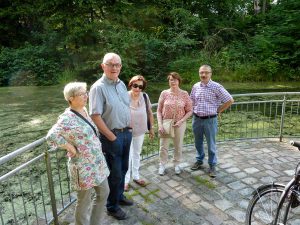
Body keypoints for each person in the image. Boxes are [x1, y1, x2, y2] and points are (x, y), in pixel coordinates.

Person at [46, 82, 110, 225]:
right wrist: (69, 146)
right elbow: (51, 136)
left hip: (97, 162)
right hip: (82, 166)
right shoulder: (66, 118)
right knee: (84, 201)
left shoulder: (84, 110)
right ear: (71, 98)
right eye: (82, 94)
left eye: (85, 92)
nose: (86, 96)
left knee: (104, 192)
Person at [89, 52, 133, 220]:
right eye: (111, 64)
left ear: (120, 67)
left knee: (123, 168)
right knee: (114, 174)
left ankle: (119, 197)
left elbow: (125, 106)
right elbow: (95, 115)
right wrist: (111, 136)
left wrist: (129, 126)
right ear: (103, 66)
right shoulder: (98, 87)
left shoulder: (121, 84)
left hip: (126, 133)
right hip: (111, 136)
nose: (114, 67)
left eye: (117, 65)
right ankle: (112, 207)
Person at [190, 64, 234, 177]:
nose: (203, 75)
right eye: (201, 73)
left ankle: (212, 165)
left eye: (206, 72)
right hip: (196, 119)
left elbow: (230, 100)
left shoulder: (216, 87)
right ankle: (199, 160)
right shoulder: (196, 86)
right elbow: (191, 101)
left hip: (210, 120)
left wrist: (219, 110)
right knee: (197, 142)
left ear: (211, 74)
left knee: (211, 144)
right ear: (199, 73)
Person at [157, 72, 193, 176]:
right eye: (171, 79)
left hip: (179, 124)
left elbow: (190, 110)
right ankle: (162, 164)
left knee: (178, 145)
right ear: (169, 81)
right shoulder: (164, 93)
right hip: (166, 122)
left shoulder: (184, 94)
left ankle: (176, 163)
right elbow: (159, 110)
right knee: (163, 145)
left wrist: (181, 121)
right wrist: (160, 124)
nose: (173, 81)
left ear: (179, 81)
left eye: (175, 79)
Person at [124, 75, 155, 191]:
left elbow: (150, 113)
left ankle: (136, 176)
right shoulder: (124, 96)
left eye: (140, 87)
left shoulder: (145, 97)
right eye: (135, 85)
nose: (137, 88)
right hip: (126, 131)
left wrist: (151, 128)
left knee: (137, 153)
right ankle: (125, 180)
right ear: (131, 84)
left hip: (140, 131)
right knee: (127, 156)